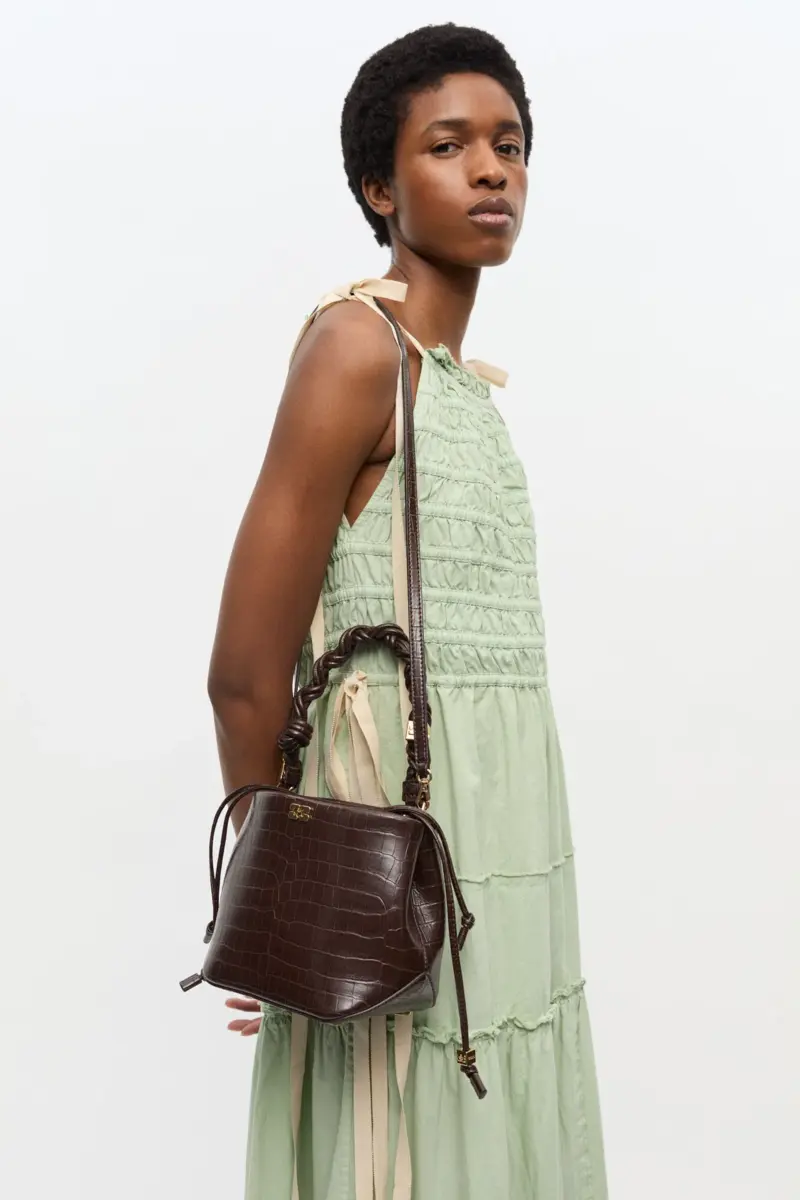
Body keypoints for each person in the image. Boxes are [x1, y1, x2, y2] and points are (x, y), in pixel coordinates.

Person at [206, 22, 608, 1200]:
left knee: (489, 1083)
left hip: (502, 831)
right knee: (400, 1120)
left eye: (509, 145)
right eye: (447, 145)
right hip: (394, 831)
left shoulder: (461, 390)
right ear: (379, 188)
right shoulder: (354, 348)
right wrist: (272, 892)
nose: (490, 170)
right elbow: (243, 670)